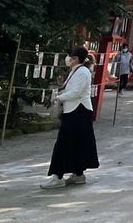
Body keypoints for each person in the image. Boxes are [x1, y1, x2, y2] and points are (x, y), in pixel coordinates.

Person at [40, 47, 100, 190]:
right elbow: (71, 90)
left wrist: (59, 97)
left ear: (76, 59)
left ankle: (57, 176)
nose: (68, 59)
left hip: (78, 111)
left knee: (64, 143)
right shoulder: (76, 71)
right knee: (77, 143)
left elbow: (76, 92)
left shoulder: (83, 71)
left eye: (70, 56)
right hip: (75, 111)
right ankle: (78, 173)